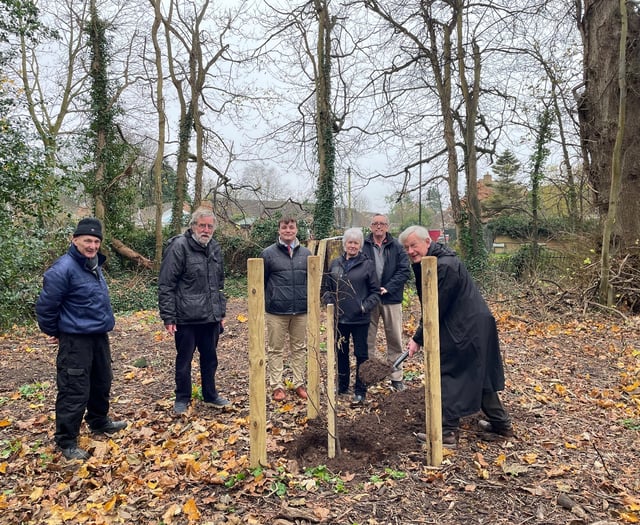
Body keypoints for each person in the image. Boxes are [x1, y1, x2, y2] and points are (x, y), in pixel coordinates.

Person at [398, 225, 513, 448]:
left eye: (414, 245)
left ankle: (447, 432)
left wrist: (418, 338)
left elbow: (435, 307)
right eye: (407, 248)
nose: (410, 251)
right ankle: (502, 424)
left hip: (466, 327)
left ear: (427, 243)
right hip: (472, 323)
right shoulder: (436, 261)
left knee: (449, 372)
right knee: (479, 375)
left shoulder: (443, 266)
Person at [36, 218, 127, 460]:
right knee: (74, 389)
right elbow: (46, 307)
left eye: (97, 241)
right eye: (88, 240)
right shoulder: (62, 269)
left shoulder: (93, 265)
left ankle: (99, 422)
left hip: (98, 335)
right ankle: (66, 441)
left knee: (102, 380)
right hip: (75, 340)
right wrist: (55, 332)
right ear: (75, 240)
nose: (93, 245)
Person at [158, 207, 230, 415]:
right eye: (202, 225)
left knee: (210, 358)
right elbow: (166, 284)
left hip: (210, 317)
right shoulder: (178, 247)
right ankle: (182, 397)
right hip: (185, 317)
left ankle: (210, 395)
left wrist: (221, 313)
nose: (206, 230)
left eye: (210, 226)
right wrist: (168, 316)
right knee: (184, 359)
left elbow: (219, 284)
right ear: (193, 226)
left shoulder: (214, 248)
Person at [322, 228, 380, 403]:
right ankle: (342, 385)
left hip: (360, 319)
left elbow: (375, 292)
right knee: (341, 352)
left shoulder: (367, 265)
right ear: (344, 244)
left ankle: (360, 390)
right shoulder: (335, 264)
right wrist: (330, 302)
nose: (352, 246)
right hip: (340, 318)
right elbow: (326, 288)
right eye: (350, 242)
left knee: (361, 354)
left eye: (356, 243)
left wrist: (364, 307)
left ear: (360, 245)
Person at [260, 216, 312, 401]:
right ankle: (277, 386)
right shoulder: (268, 254)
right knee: (276, 349)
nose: (288, 230)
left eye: (291, 227)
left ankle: (298, 383)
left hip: (300, 309)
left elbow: (312, 281)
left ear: (296, 229)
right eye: (284, 227)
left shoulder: (306, 254)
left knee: (299, 348)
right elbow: (262, 282)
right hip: (276, 311)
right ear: (279, 230)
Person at [362, 213, 411, 391]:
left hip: (392, 299)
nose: (379, 227)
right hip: (370, 298)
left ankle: (396, 377)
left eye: (382, 224)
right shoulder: (363, 245)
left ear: (387, 227)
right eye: (375, 224)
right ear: (371, 227)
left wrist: (388, 287)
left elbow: (404, 270)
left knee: (395, 339)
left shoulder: (397, 246)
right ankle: (367, 376)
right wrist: (370, 290)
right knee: (367, 339)